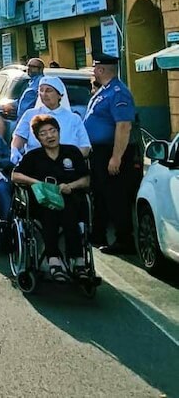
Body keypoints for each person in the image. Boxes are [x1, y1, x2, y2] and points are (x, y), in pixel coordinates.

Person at [12, 115, 92, 281]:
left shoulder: (72, 152)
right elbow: (15, 176)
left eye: (52, 131)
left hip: (70, 197)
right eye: (43, 133)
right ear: (38, 137)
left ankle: (78, 261)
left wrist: (71, 186)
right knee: (49, 212)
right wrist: (38, 183)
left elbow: (86, 179)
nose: (49, 136)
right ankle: (54, 260)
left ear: (58, 131)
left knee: (70, 212)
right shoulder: (33, 156)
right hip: (42, 201)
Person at [83, 54, 138, 254]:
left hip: (112, 151)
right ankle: (98, 234)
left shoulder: (118, 92)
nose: (92, 71)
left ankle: (124, 239)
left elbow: (123, 126)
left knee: (116, 196)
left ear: (101, 70)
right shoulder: (104, 91)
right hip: (99, 152)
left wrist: (116, 157)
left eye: (94, 68)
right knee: (101, 194)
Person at [11, 76, 90, 162]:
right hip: (36, 164)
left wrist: (69, 158)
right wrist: (15, 150)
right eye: (41, 90)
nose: (44, 94)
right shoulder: (30, 114)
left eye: (49, 90)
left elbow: (85, 147)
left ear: (60, 95)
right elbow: (20, 136)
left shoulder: (73, 118)